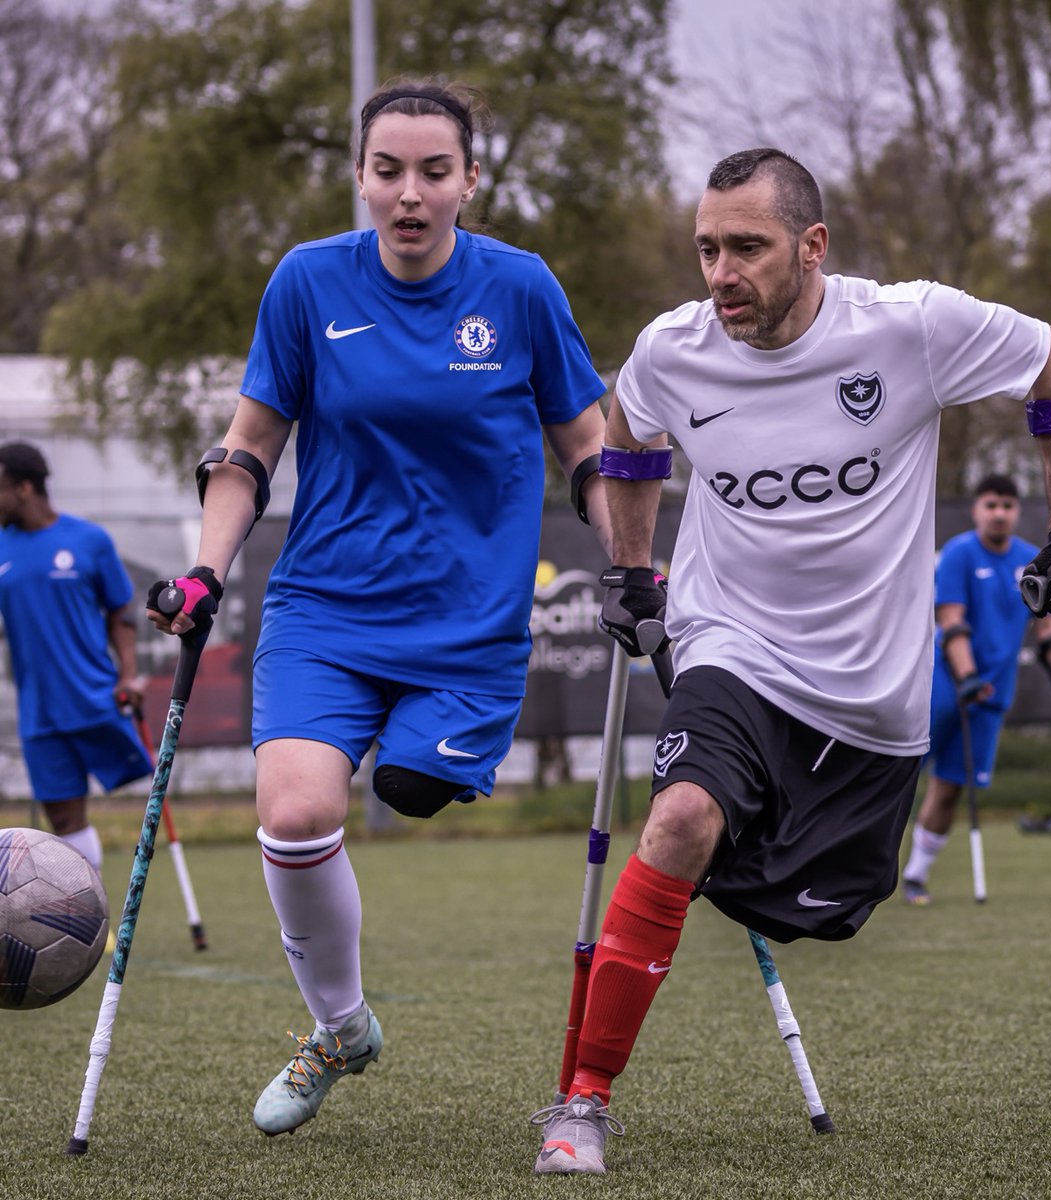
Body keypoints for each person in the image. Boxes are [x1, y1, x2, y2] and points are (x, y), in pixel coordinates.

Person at [529, 147, 1051, 1175]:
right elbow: (629, 440)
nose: (720, 273)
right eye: (706, 248)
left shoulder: (909, 326)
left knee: (828, 911)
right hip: (729, 649)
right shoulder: (673, 348)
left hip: (872, 706)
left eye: (746, 248)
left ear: (812, 247)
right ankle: (582, 1100)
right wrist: (628, 571)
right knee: (678, 818)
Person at [146, 77, 611, 1137]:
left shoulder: (522, 290)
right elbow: (249, 445)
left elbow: (587, 445)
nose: (410, 193)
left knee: (408, 783)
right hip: (324, 604)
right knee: (297, 813)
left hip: (468, 625)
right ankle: (340, 1027)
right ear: (361, 178)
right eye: (388, 170)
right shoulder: (309, 284)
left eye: (434, 172)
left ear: (470, 181)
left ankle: (348, 996)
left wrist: (627, 549)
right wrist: (209, 569)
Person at [899, 473, 1051, 905]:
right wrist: (967, 677)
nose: (999, 513)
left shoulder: (1030, 561)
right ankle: (862, 867)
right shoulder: (958, 554)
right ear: (976, 510)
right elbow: (951, 621)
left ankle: (916, 875)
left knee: (951, 785)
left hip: (992, 694)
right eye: (991, 505)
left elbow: (1049, 633)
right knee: (900, 774)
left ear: (1016, 512)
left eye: (1007, 506)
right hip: (946, 684)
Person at [0, 441, 152, 872]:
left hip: (96, 698)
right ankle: (86, 927)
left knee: (140, 794)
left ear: (25, 487)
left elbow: (120, 615)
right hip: (39, 711)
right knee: (63, 819)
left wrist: (129, 676)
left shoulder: (89, 540)